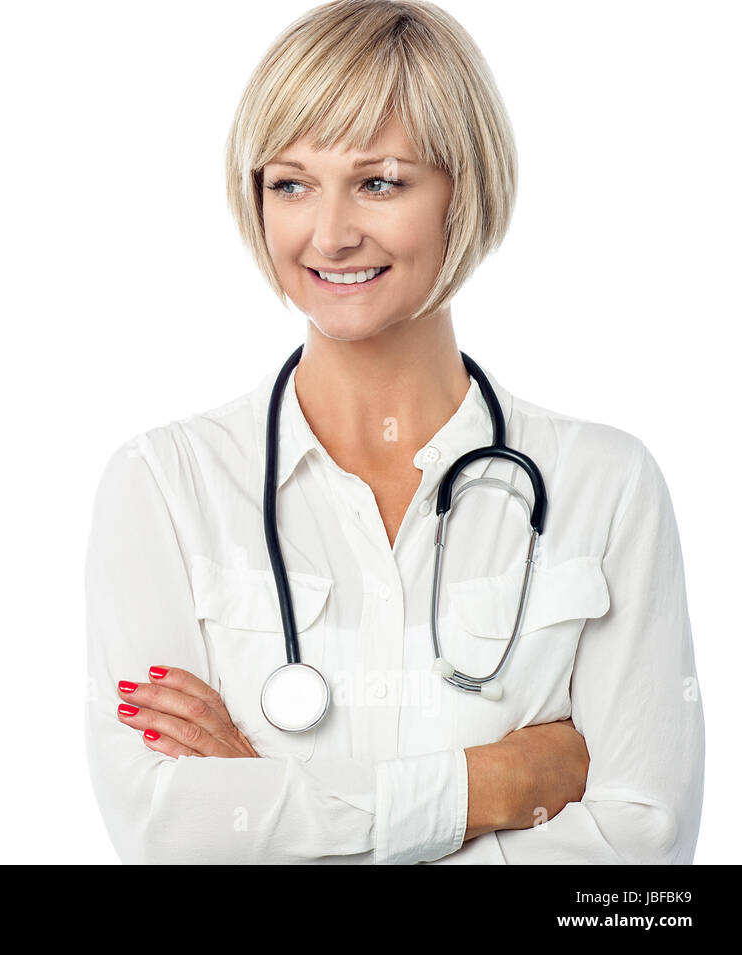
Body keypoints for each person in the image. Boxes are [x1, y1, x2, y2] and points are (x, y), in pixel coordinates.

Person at [82, 0, 705, 864]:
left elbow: (643, 852)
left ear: (467, 187)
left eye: (381, 181)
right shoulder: (163, 485)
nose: (330, 234)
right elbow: (170, 831)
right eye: (290, 183)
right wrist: (497, 783)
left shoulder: (606, 486)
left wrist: (277, 803)